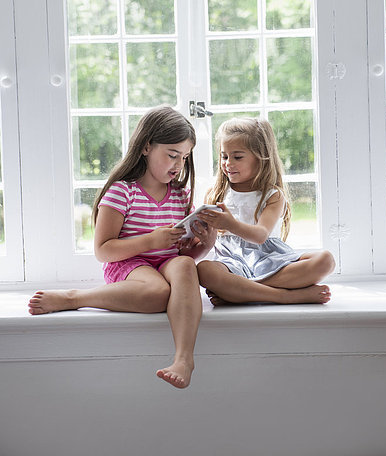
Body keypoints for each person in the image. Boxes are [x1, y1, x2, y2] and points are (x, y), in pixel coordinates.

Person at [28, 106, 216, 389]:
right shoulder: (122, 191)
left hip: (166, 263)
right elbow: (103, 250)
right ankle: (75, 298)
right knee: (157, 293)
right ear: (145, 147)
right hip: (129, 264)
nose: (178, 164)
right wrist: (150, 241)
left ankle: (184, 358)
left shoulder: (180, 194)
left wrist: (205, 244)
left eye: (184, 157)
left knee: (187, 265)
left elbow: (179, 254)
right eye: (172, 155)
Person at [196, 117, 335, 307]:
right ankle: (285, 296)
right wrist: (204, 237)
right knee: (204, 270)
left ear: (261, 157)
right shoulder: (216, 194)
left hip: (270, 261)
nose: (228, 163)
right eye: (224, 156)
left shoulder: (273, 195)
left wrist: (230, 224)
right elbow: (212, 242)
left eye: (237, 157)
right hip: (231, 263)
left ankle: (240, 291)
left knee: (325, 260)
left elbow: (261, 235)